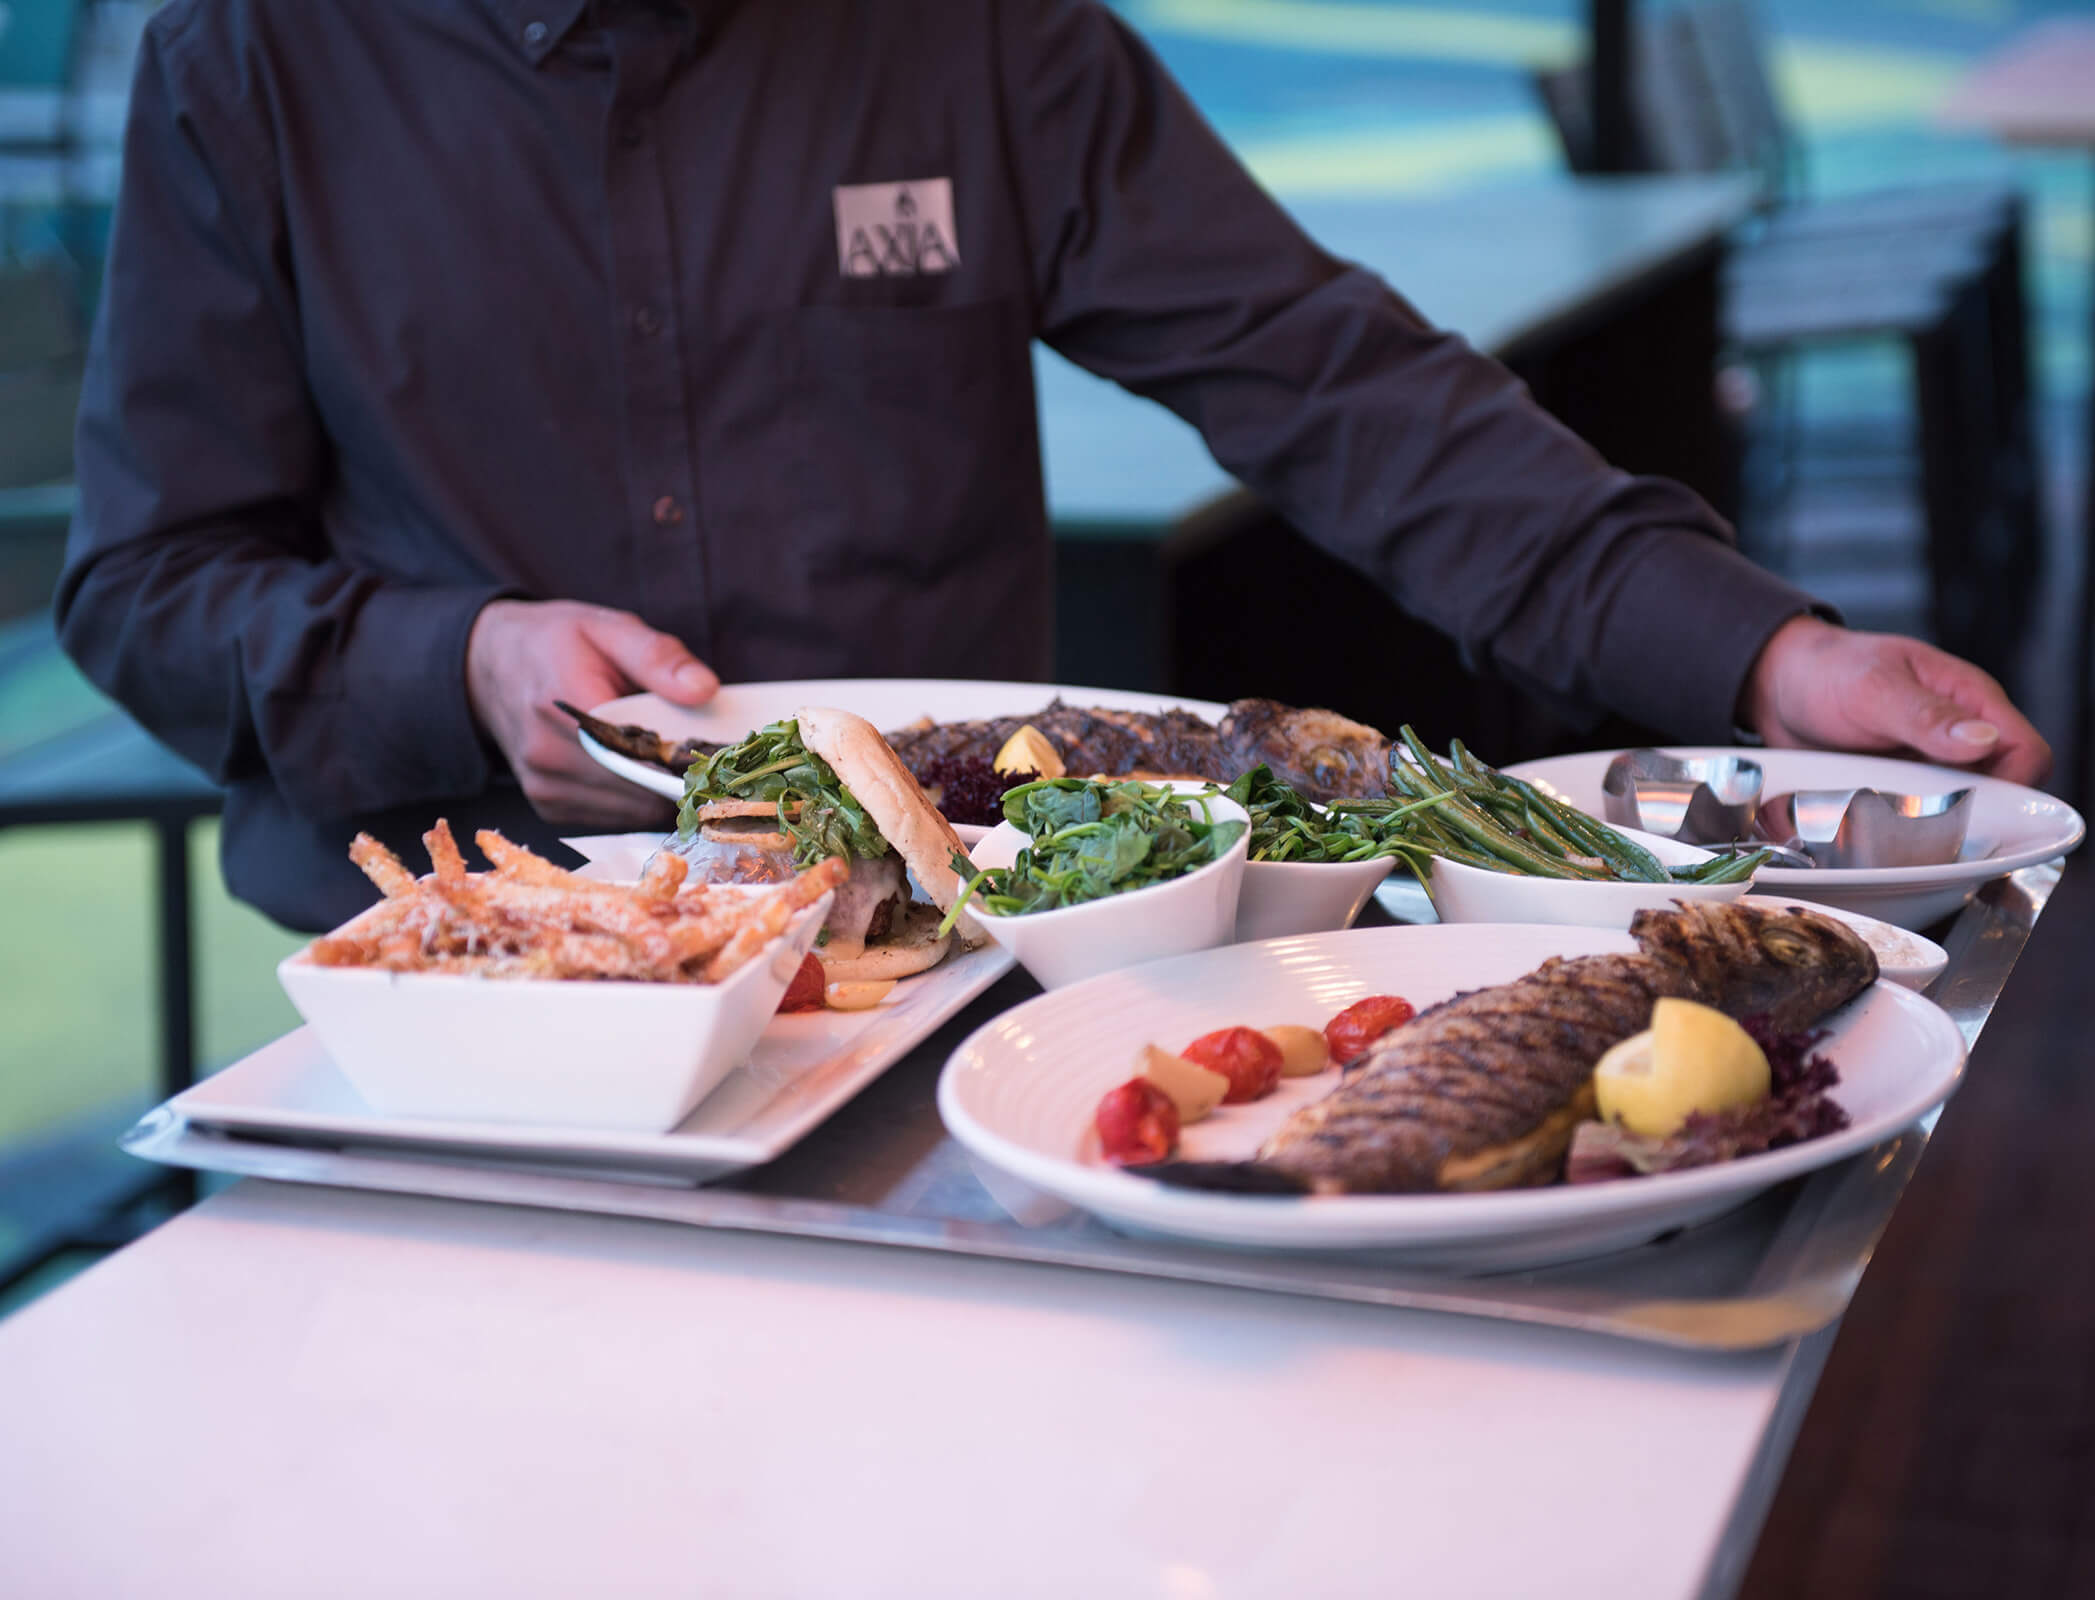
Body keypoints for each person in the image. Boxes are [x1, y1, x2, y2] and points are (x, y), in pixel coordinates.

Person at [57, 0, 2049, 931]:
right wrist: (462, 656)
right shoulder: (255, 59)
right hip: (491, 964)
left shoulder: (978, 41)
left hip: (967, 955)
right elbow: (145, 586)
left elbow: (1342, 387)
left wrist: (1768, 660)